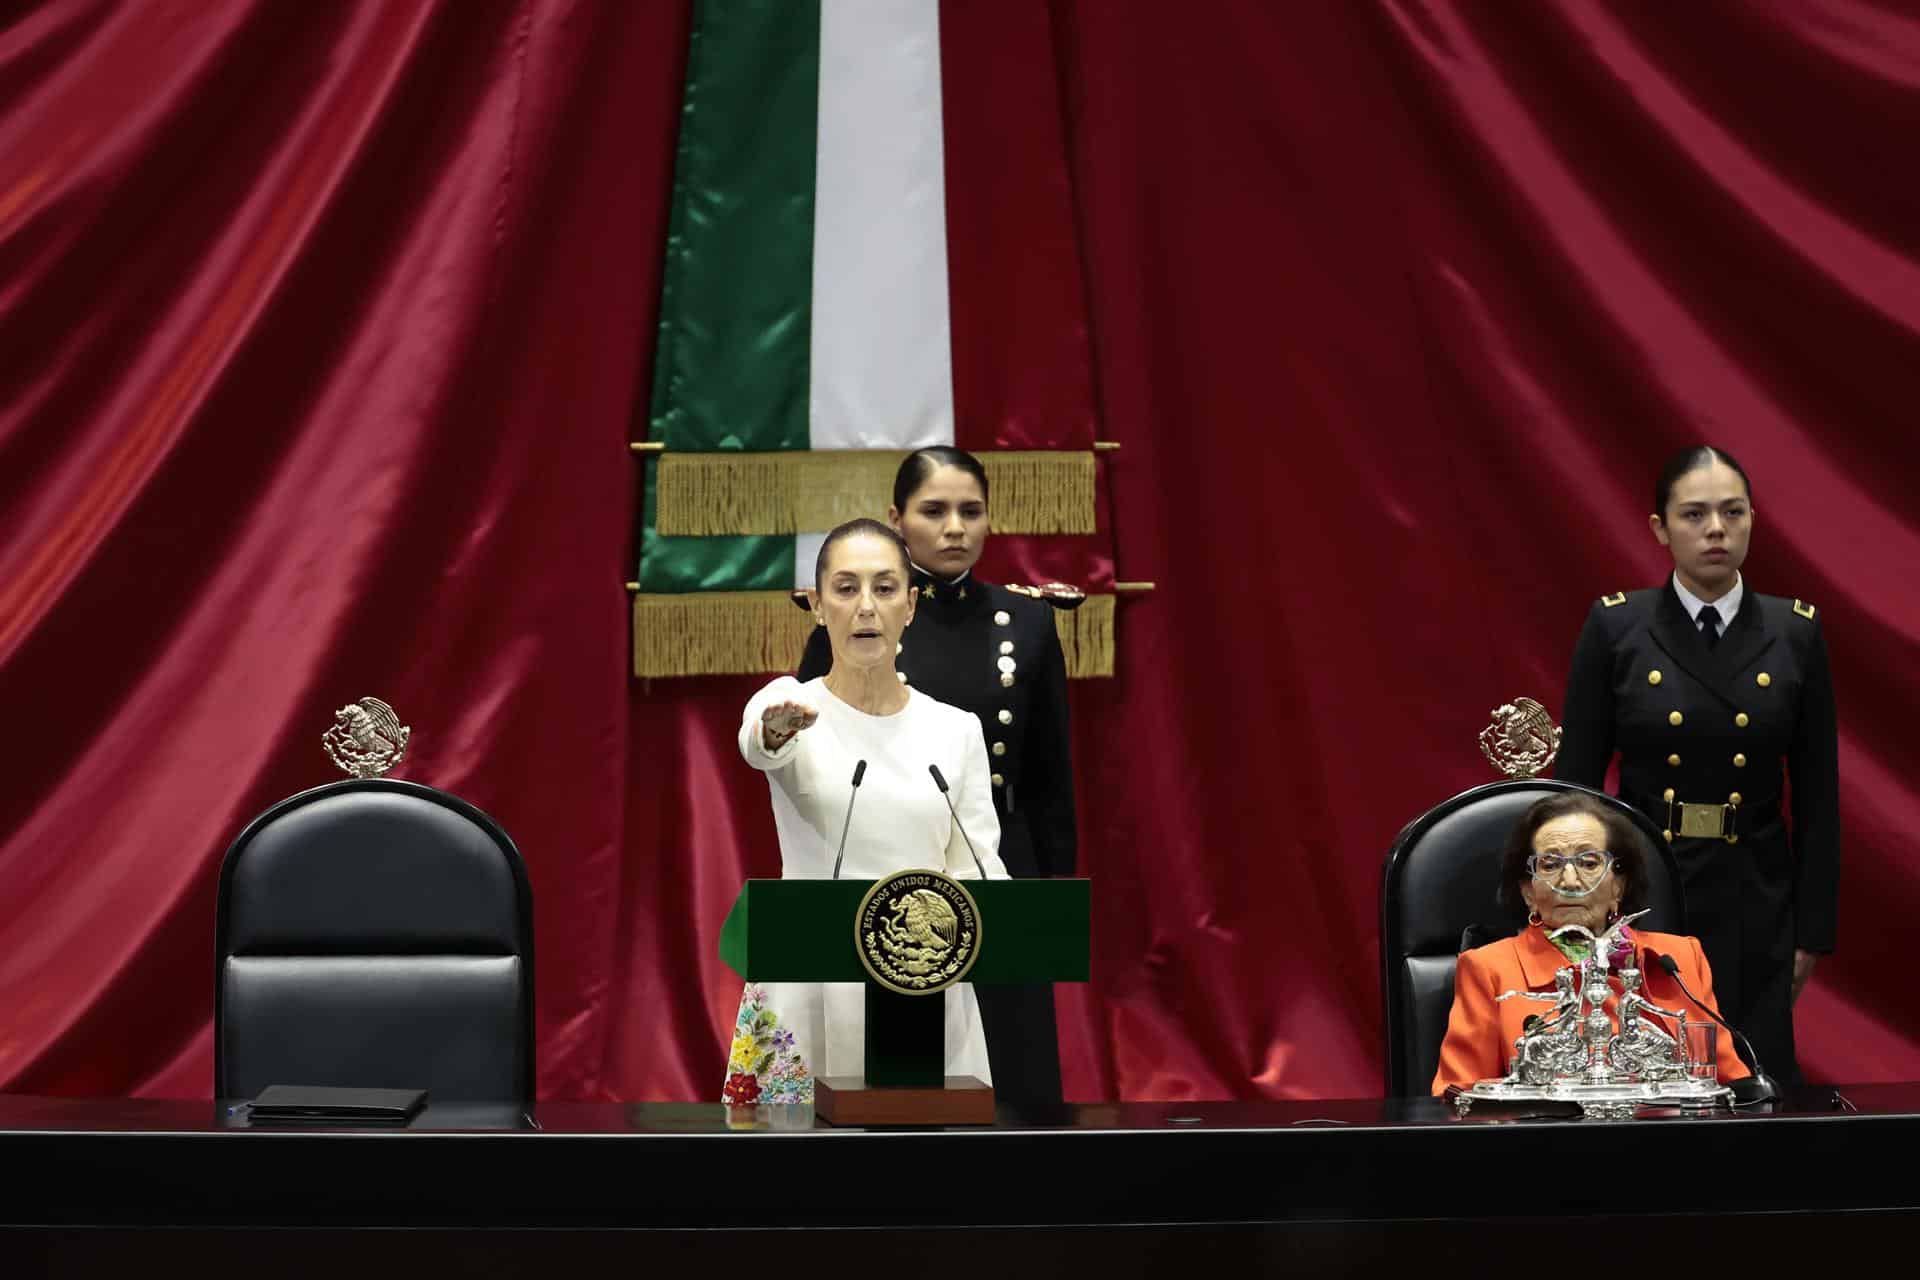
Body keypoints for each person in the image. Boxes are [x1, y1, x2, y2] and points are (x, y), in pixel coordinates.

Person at [796, 447, 1075, 1105]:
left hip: (999, 862)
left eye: (970, 511)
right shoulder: (862, 619)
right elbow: (815, 760)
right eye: (935, 510)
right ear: (898, 520)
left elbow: (1046, 776)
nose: (955, 528)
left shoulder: (1027, 622)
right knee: (892, 1075)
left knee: (1014, 1072)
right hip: (887, 870)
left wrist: (1050, 892)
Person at [1554, 445, 1838, 1085]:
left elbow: (1819, 798)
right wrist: (1575, 912)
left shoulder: (1794, 632)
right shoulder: (1618, 629)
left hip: (1754, 897)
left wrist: (1811, 933)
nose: (1716, 529)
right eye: (1695, 514)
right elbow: (1576, 791)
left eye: (1732, 512)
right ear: (1660, 528)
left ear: (1752, 520)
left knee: (1747, 1085)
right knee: (1643, 1082)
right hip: (1644, 893)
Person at [725, 518, 1008, 1106]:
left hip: (925, 987)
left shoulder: (955, 730)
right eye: (846, 588)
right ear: (817, 604)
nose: (865, 607)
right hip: (807, 987)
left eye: (883, 589)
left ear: (910, 605)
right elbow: (759, 743)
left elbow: (982, 872)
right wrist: (775, 731)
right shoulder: (791, 704)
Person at [1432, 792, 1750, 1093]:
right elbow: (1458, 1098)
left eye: (1588, 863)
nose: (1570, 881)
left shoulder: (1678, 959)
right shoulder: (1489, 969)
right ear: (1528, 892)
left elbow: (1732, 1087)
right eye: (1550, 864)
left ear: (1619, 886)